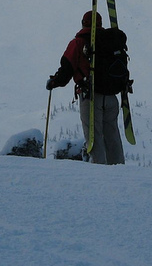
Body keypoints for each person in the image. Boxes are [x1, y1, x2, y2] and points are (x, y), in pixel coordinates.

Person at [46, 11, 125, 165]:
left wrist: (53, 82)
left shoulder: (78, 43)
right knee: (112, 135)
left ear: (83, 23)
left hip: (90, 97)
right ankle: (118, 169)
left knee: (93, 137)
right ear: (100, 24)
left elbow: (66, 71)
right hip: (111, 96)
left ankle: (99, 170)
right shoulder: (111, 41)